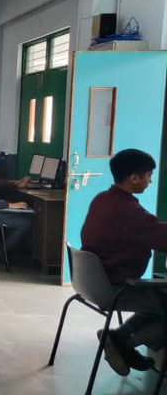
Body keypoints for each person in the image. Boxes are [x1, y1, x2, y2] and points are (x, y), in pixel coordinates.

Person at [81, 149, 167, 375]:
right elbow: (161, 236)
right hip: (117, 288)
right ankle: (125, 346)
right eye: (149, 175)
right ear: (134, 177)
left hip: (95, 284)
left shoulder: (101, 199)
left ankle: (116, 336)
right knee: (162, 300)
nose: (151, 181)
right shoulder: (129, 212)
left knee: (160, 300)